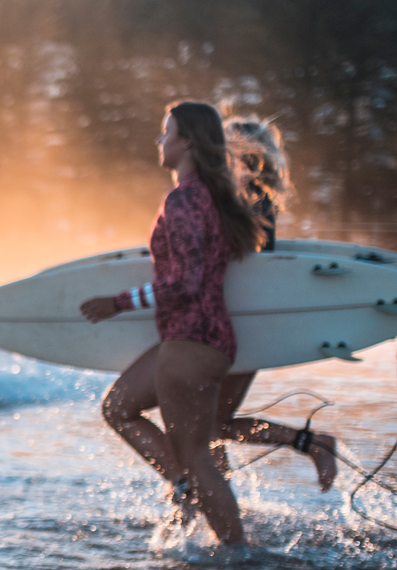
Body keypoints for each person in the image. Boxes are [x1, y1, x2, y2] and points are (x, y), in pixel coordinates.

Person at [80, 101, 262, 546]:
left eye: (166, 133)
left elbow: (186, 281)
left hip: (192, 341)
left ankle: (237, 557)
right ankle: (184, 486)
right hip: (197, 339)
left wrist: (118, 303)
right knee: (118, 408)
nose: (159, 141)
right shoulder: (209, 197)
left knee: (199, 456)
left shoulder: (184, 198)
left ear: (187, 142)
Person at [212, 118, 338, 489]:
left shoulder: (249, 202)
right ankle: (209, 500)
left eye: (222, 149)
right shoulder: (245, 200)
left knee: (208, 424)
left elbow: (250, 269)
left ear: (244, 155)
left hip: (240, 325)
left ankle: (314, 444)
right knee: (208, 425)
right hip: (231, 321)